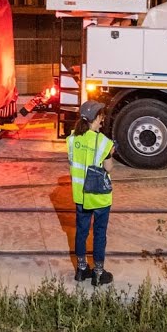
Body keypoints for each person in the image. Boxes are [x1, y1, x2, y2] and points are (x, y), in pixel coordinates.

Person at [67, 99, 115, 286]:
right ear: (96, 118)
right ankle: (98, 273)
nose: (102, 120)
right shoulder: (103, 142)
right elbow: (108, 168)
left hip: (80, 195)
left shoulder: (72, 139)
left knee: (81, 232)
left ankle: (81, 270)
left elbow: (72, 165)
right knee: (100, 234)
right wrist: (110, 154)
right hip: (99, 196)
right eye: (101, 116)